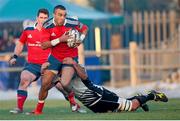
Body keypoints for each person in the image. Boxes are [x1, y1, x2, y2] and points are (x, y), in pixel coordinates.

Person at [9, 8, 81, 114]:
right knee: (24, 79)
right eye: (41, 17)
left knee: (61, 86)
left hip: (48, 64)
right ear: (37, 18)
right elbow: (20, 44)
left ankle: (74, 104)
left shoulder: (53, 29)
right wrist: (15, 56)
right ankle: (19, 108)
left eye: (46, 18)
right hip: (33, 65)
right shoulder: (28, 30)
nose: (43, 20)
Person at [53, 57, 168, 113]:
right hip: (91, 104)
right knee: (120, 110)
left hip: (98, 96)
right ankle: (138, 97)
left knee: (131, 107)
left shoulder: (75, 66)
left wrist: (73, 63)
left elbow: (86, 79)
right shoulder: (56, 74)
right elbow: (65, 90)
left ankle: (151, 96)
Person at [32, 5, 88, 114]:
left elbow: (85, 28)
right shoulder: (47, 25)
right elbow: (43, 45)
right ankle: (38, 111)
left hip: (70, 57)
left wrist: (80, 39)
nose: (62, 17)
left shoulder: (72, 22)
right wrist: (60, 39)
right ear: (54, 15)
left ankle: (73, 102)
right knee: (45, 84)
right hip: (55, 58)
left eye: (64, 15)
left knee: (65, 83)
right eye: (60, 15)